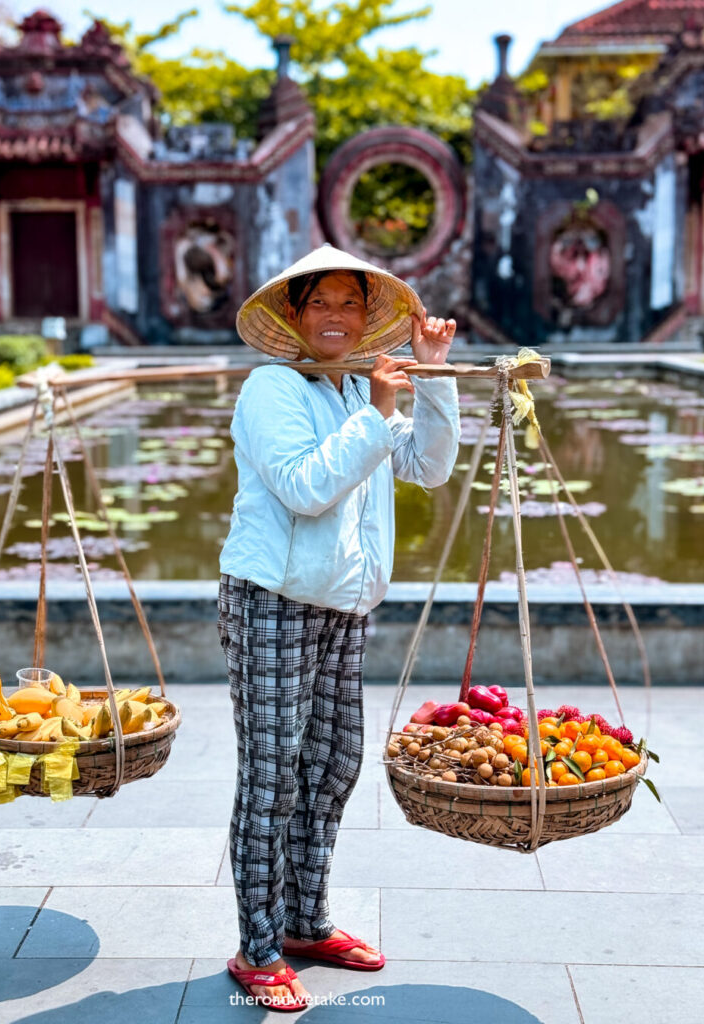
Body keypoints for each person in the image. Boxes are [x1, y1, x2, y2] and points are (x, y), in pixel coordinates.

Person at [218, 245, 460, 1011]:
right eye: (317, 302)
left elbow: (426, 465)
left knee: (330, 765)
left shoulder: (359, 385)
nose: (333, 316)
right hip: (272, 600)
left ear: (364, 319)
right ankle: (256, 948)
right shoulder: (272, 389)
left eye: (347, 304)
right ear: (294, 316)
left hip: (341, 606)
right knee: (272, 774)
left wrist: (432, 378)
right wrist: (377, 413)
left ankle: (304, 922)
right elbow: (304, 488)